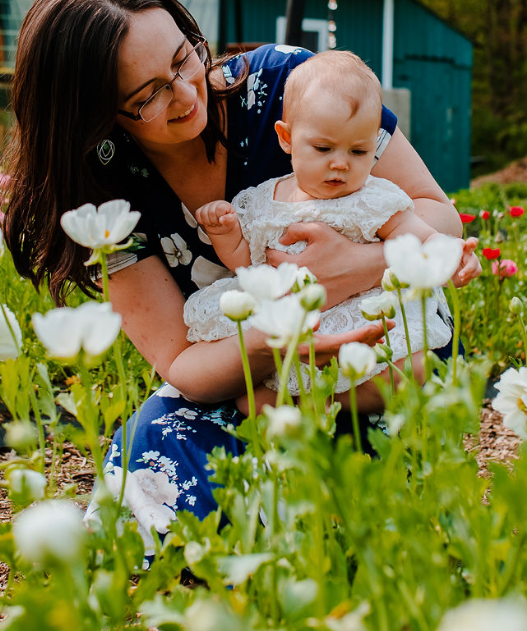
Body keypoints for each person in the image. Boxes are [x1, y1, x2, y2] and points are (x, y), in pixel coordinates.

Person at [2, 0, 481, 549]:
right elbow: (183, 363)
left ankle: (323, 515)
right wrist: (279, 335)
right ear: (94, 116)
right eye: (147, 95)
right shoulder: (100, 196)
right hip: (250, 376)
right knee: (151, 454)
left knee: (369, 464)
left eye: (184, 57)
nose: (186, 93)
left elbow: (436, 212)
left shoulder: (296, 85)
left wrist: (358, 263)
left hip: (378, 343)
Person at [186, 50, 471, 417]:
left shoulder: (373, 197)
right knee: (248, 400)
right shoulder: (262, 200)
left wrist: (452, 254)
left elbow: (420, 235)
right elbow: (247, 262)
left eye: (359, 150)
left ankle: (329, 404)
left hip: (362, 318)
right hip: (299, 328)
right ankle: (304, 400)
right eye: (323, 148)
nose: (341, 163)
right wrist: (226, 233)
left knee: (416, 368)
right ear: (286, 138)